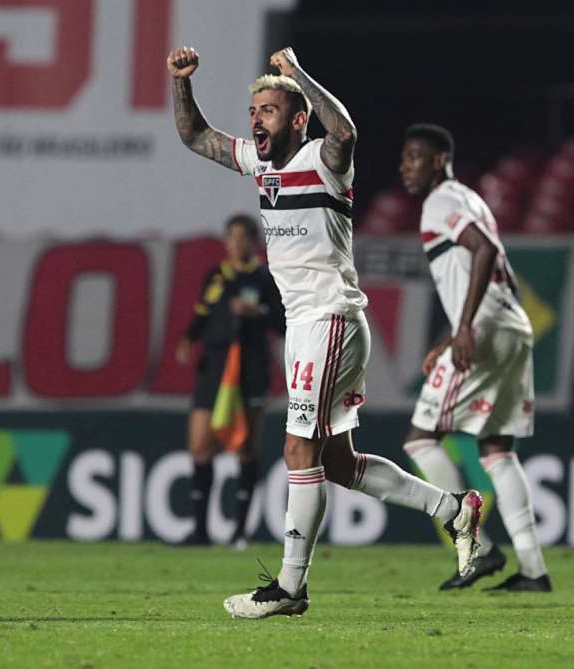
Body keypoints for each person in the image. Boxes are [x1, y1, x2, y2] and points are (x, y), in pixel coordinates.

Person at [167, 45, 483, 619]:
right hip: (308, 326)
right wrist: (181, 83)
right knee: (336, 461)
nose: (255, 119)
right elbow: (195, 137)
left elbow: (348, 132)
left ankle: (290, 587)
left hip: (329, 318)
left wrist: (299, 75)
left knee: (296, 448)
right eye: (254, 109)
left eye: (268, 110)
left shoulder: (324, 158)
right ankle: (454, 509)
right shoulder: (260, 164)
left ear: (296, 118)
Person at [398, 124, 551, 592]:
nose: (406, 166)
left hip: (483, 329)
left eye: (416, 156)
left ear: (440, 159)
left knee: (421, 439)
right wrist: (453, 333)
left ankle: (478, 548)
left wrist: (464, 328)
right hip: (512, 326)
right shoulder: (471, 199)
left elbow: (482, 251)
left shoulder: (440, 202)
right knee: (497, 450)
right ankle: (533, 570)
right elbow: (479, 263)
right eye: (404, 157)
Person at [176, 214, 284, 549]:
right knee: (199, 445)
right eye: (232, 237)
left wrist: (259, 313)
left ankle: (239, 532)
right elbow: (202, 312)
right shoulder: (216, 276)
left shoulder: (266, 278)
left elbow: (282, 323)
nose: (237, 243)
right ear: (226, 242)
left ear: (254, 242)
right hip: (216, 367)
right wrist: (188, 338)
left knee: (245, 446)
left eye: (243, 237)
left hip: (250, 368)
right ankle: (200, 531)